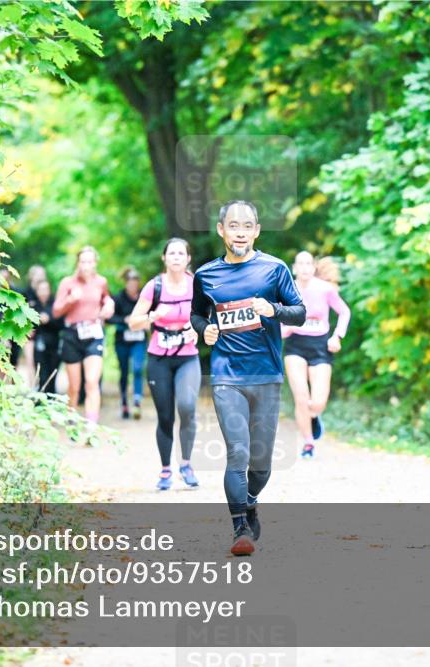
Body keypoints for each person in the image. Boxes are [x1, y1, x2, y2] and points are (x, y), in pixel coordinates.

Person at [190, 201, 306, 556]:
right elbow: (197, 315)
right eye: (233, 225)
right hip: (226, 374)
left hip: (266, 374)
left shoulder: (274, 269)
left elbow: (300, 313)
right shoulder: (206, 275)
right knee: (237, 452)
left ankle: (250, 498)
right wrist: (205, 330)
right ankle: (240, 527)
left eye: (247, 226)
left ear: (256, 231)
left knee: (261, 463)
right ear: (221, 230)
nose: (240, 232)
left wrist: (274, 309)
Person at [128, 239, 202, 491]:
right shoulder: (154, 286)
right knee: (166, 415)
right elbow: (133, 322)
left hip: (187, 357)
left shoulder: (197, 284)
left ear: (188, 258)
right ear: (164, 258)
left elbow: (210, 314)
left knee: (187, 406)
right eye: (172, 253)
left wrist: (197, 328)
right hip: (159, 358)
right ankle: (165, 469)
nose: (176, 257)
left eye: (181, 253)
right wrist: (152, 316)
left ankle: (186, 464)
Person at [282, 252, 351, 459]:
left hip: (321, 346)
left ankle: (313, 416)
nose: (304, 268)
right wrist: (283, 329)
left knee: (318, 401)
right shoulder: (285, 289)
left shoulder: (325, 289)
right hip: (295, 346)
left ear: (313, 267)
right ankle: (308, 443)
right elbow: (276, 315)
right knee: (301, 397)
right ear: (294, 268)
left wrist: (337, 336)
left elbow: (344, 312)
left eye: (308, 264)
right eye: (300, 264)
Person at [52, 246, 114, 424]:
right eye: (83, 261)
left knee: (92, 382)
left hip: (94, 334)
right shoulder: (67, 283)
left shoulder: (101, 282)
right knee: (74, 387)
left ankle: (91, 426)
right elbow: (56, 311)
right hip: (72, 335)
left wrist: (109, 305)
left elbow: (106, 299)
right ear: (78, 263)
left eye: (89, 261)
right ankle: (72, 422)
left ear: (95, 263)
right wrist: (70, 301)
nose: (86, 265)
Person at [108, 268, 148, 419]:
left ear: (138, 283)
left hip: (139, 339)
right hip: (122, 340)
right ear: (126, 284)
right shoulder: (118, 298)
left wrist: (146, 321)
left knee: (137, 368)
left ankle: (137, 402)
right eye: (130, 283)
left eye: (135, 283)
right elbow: (109, 318)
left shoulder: (144, 297)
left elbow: (152, 314)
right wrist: (124, 319)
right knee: (124, 371)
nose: (132, 286)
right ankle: (124, 402)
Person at [28, 278, 63, 393]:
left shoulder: (56, 305)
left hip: (54, 345)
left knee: (52, 374)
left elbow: (62, 324)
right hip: (39, 345)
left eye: (45, 289)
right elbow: (28, 326)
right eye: (40, 290)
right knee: (41, 373)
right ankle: (41, 397)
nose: (43, 292)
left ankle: (51, 397)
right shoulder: (33, 306)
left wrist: (49, 320)